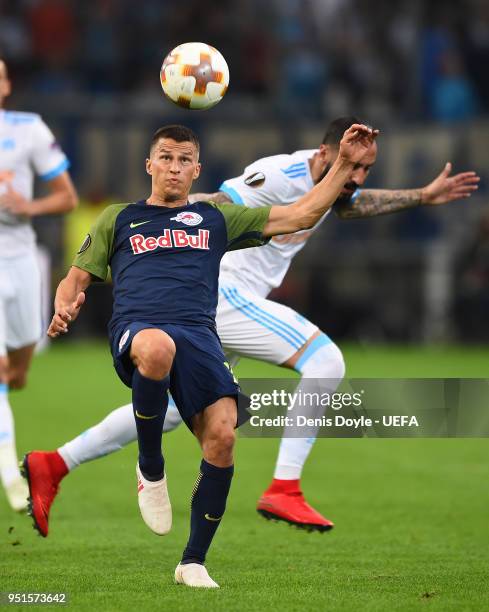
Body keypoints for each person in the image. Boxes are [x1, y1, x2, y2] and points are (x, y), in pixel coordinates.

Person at [23, 117, 479, 535]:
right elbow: (218, 203)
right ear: (325, 155)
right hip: (223, 294)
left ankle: (55, 463)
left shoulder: (333, 184)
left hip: (229, 304)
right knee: (325, 358)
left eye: (364, 172)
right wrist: (165, 216)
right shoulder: (280, 175)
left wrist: (422, 195)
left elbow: (346, 206)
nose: (356, 180)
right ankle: (285, 487)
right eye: (350, 168)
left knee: (176, 413)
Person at [26, 123, 377, 588]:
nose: (174, 168)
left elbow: (300, 214)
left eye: (183, 160)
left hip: (200, 336)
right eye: (165, 158)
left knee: (223, 436)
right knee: (157, 347)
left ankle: (193, 561)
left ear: (197, 171)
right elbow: (75, 277)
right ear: (149, 164)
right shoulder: (119, 217)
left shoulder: (215, 220)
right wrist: (64, 305)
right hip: (140, 328)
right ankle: (152, 471)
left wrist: (346, 165)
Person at [0, 58, 77, 511]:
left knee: (17, 373)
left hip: (21, 259)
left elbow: (67, 196)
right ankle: (12, 479)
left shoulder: (28, 129)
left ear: (7, 85)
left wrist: (26, 205)